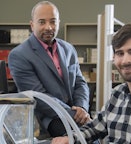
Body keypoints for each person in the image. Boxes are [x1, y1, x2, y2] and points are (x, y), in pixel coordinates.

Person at [8, 1, 90, 137]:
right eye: (42, 22)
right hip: (47, 118)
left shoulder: (68, 49)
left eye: (53, 22)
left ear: (58, 22)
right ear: (32, 25)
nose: (48, 27)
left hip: (76, 113)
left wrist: (81, 108)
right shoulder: (19, 55)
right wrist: (74, 115)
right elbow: (39, 96)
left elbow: (80, 83)